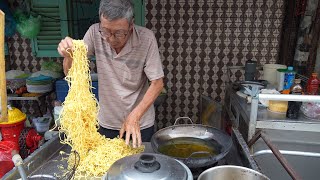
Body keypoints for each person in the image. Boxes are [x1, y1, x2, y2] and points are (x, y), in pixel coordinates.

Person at [57, 0, 164, 148]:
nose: (111, 39)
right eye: (106, 31)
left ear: (131, 26)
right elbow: (71, 73)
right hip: (107, 122)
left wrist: (134, 116)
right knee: (107, 165)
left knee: (138, 164)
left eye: (119, 33)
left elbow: (157, 83)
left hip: (139, 122)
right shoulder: (95, 33)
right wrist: (69, 55)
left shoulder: (146, 39)